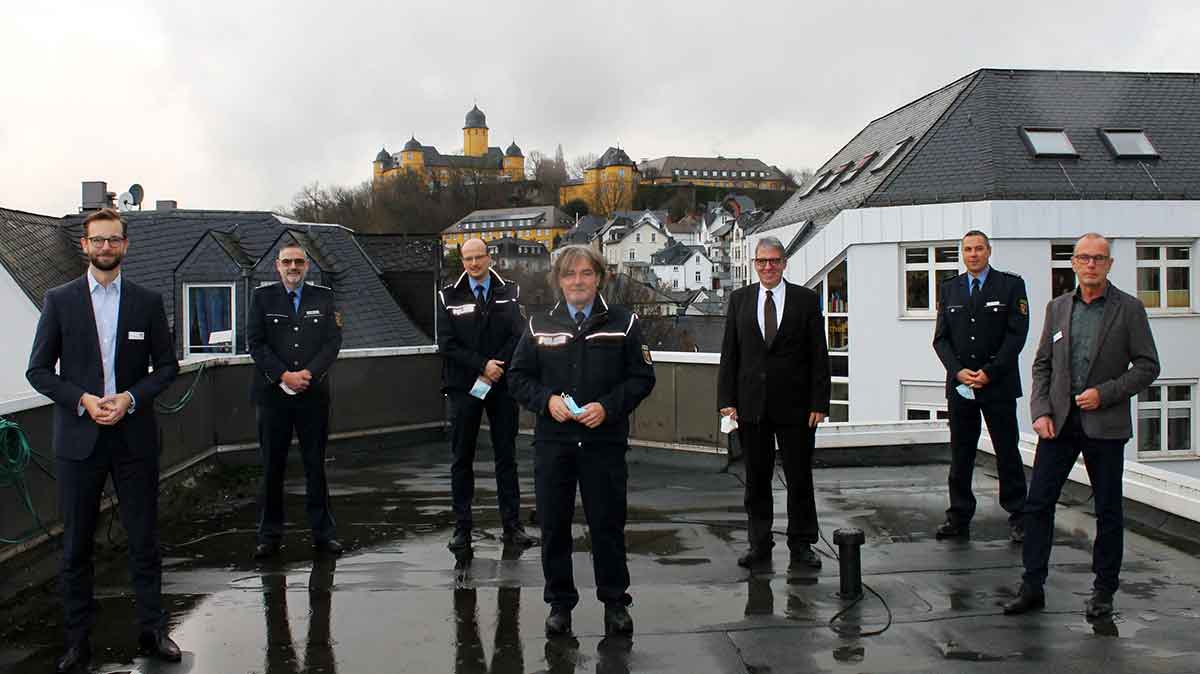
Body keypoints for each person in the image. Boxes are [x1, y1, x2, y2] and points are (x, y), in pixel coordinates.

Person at [26, 208, 181, 672]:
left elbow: (168, 368)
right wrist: (83, 401)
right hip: (79, 441)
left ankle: (153, 630)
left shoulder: (147, 301)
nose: (106, 248)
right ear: (85, 246)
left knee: (144, 540)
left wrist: (131, 397)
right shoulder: (60, 300)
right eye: (98, 240)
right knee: (76, 545)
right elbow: (37, 371)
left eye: (114, 240)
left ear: (126, 245)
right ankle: (77, 641)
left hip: (134, 439)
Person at [1003, 233, 1159, 618]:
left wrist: (1104, 394)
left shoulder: (1130, 309)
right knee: (1038, 504)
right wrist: (1040, 411)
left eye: (1099, 259)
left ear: (1109, 265)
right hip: (1059, 423)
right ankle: (1032, 585)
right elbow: (1042, 364)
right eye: (1084, 258)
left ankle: (1103, 591)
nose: (1091, 265)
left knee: (1108, 511)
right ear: (1073, 263)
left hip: (1105, 424)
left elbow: (1147, 366)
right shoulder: (1057, 308)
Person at [508, 245, 655, 637]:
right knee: (554, 527)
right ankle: (559, 604)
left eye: (586, 273)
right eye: (570, 274)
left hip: (603, 444)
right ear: (558, 280)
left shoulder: (624, 323)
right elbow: (518, 378)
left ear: (599, 277)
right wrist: (546, 402)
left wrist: (608, 408)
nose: (578, 281)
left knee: (607, 524)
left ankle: (614, 602)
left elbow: (642, 378)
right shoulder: (539, 324)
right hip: (553, 444)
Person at [717, 236, 831, 569]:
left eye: (774, 261)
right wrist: (727, 400)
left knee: (799, 479)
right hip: (752, 406)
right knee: (756, 479)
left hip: (797, 408)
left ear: (784, 263)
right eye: (762, 261)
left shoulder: (806, 300)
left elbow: (818, 357)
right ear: (754, 264)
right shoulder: (739, 300)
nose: (768, 267)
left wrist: (819, 403)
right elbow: (730, 355)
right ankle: (759, 544)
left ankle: (802, 544)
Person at [437, 238, 537, 551]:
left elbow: (519, 336)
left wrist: (496, 367)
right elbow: (447, 343)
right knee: (461, 458)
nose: (474, 264)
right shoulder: (448, 295)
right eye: (468, 258)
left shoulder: (510, 291)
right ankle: (462, 529)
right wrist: (482, 366)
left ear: (489, 257)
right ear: (461, 260)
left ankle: (512, 526)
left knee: (505, 456)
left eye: (479, 257)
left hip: (502, 384)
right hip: (464, 385)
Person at [247, 241, 344, 559]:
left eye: (298, 262)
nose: (293, 267)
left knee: (315, 466)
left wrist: (309, 374)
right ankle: (269, 536)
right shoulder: (262, 298)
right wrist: (283, 376)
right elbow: (256, 343)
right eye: (287, 262)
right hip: (273, 397)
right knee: (272, 468)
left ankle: (323, 533)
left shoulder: (324, 297)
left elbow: (332, 342)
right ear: (277, 265)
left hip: (312, 396)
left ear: (307, 266)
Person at [932, 230, 1030, 542]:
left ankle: (1019, 516)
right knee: (961, 454)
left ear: (989, 251)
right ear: (962, 254)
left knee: (1006, 451)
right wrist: (958, 371)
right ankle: (958, 516)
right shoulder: (950, 289)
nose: (973, 254)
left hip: (997, 385)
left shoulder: (1011, 285)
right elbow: (941, 339)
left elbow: (1017, 335)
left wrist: (989, 371)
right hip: (961, 388)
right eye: (968, 250)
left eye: (978, 249)